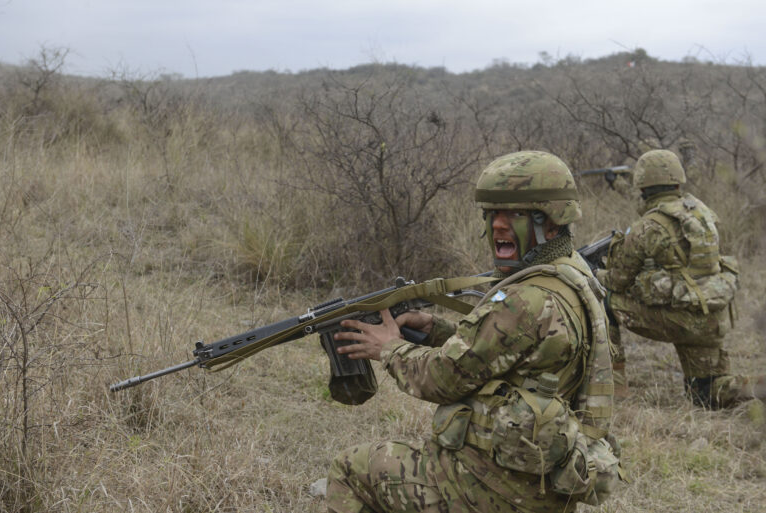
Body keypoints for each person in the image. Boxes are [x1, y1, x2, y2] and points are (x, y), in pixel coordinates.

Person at [326, 151, 623, 513]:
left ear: (551, 221)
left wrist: (388, 348)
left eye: (514, 214)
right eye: (491, 214)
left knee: (351, 468)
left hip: (491, 489)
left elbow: (441, 379)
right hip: (544, 486)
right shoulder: (571, 275)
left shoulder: (524, 300)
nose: (498, 225)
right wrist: (435, 328)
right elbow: (504, 350)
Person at [596, 149, 766, 408]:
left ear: (643, 186)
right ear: (677, 181)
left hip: (681, 320)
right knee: (707, 394)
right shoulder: (700, 212)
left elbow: (617, 281)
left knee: (604, 300)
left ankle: (614, 387)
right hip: (710, 317)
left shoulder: (647, 226)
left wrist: (591, 273)